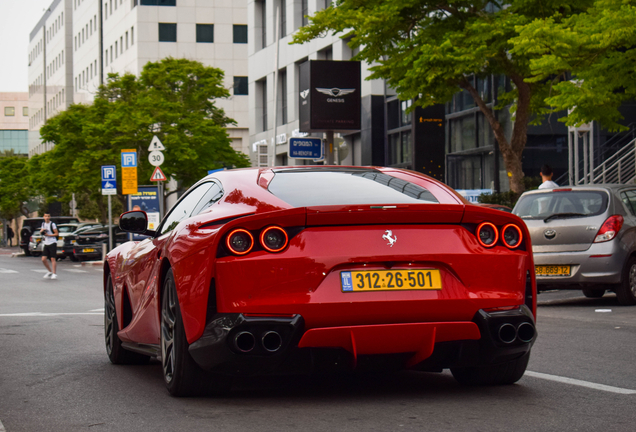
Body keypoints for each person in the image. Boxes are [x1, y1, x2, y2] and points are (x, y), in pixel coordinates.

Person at [40, 213, 59, 279]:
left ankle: (54, 273)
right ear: (43, 217)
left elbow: (56, 233)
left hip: (52, 242)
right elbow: (41, 232)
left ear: (50, 217)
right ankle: (49, 271)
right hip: (46, 243)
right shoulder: (43, 224)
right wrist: (42, 231)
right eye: (46, 216)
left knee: (52, 258)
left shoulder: (52, 224)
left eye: (48, 216)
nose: (47, 217)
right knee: (43, 259)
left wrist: (49, 235)